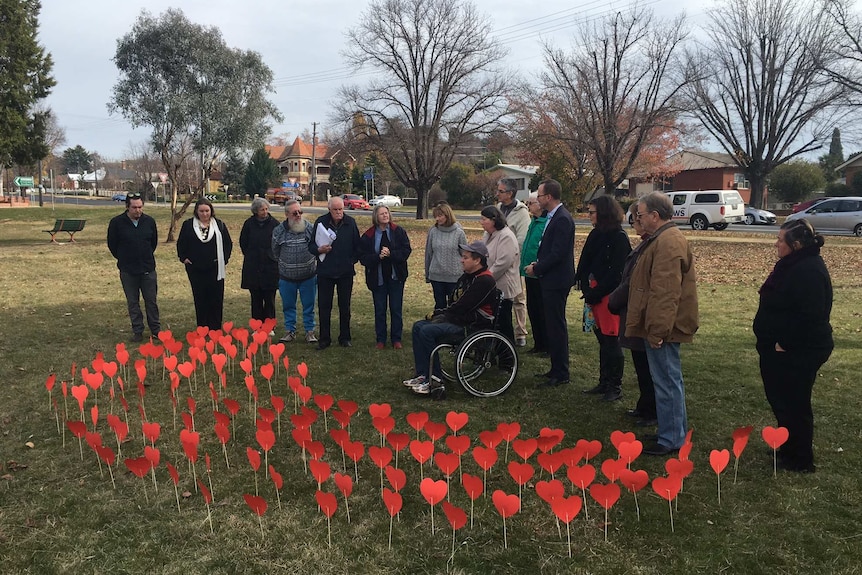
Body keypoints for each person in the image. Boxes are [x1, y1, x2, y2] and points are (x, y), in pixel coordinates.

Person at [754, 219, 832, 473]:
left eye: (780, 240)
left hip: (799, 349)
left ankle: (801, 458)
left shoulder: (808, 270)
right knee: (781, 400)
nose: (776, 244)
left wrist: (783, 344)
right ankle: (788, 445)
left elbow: (810, 315)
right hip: (780, 346)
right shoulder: (793, 264)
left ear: (796, 245)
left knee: (795, 402)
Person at [625, 191, 698, 456]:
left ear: (655, 216)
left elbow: (665, 293)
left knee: (667, 382)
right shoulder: (662, 239)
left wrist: (657, 331)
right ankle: (673, 432)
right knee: (667, 381)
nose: (638, 219)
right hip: (660, 326)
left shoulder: (668, 242)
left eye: (641, 215)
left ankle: (670, 439)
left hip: (663, 328)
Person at [404, 241, 498, 396]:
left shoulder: (484, 280)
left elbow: (463, 306)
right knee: (418, 326)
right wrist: (441, 313)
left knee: (427, 331)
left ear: (477, 260)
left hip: (472, 327)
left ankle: (435, 380)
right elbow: (454, 302)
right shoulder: (467, 277)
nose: (462, 260)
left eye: (466, 257)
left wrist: (441, 315)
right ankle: (423, 374)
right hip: (460, 320)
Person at [576, 195, 632, 401]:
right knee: (602, 339)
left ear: (604, 213)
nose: (589, 215)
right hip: (594, 294)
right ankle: (604, 381)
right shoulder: (596, 234)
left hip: (609, 296)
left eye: (592, 212)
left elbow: (618, 272)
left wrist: (597, 292)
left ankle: (614, 386)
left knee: (611, 341)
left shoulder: (619, 237)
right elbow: (585, 261)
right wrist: (584, 283)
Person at [608, 203, 657, 426]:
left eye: (636, 221)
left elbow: (633, 281)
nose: (634, 225)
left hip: (642, 314)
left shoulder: (651, 247)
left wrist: (615, 299)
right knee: (640, 364)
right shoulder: (644, 245)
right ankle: (644, 405)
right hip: (634, 312)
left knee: (647, 368)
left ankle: (651, 410)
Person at [525, 179, 576, 389]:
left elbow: (558, 253)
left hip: (557, 281)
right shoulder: (552, 217)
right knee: (551, 325)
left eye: (540, 195)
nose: (537, 199)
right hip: (550, 278)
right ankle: (555, 369)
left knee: (556, 326)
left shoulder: (562, 219)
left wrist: (537, 268)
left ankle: (561, 372)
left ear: (549, 197)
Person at [107, 192, 160, 342]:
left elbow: (153, 242)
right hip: (128, 271)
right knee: (133, 302)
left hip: (147, 269)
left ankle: (156, 330)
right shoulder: (117, 223)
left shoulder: (149, 221)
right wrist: (124, 258)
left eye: (140, 207)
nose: (138, 210)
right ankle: (137, 331)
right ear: (127, 207)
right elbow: (112, 245)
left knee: (151, 301)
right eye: (134, 207)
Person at [309, 196, 360, 350]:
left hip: (345, 272)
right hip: (325, 272)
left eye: (341, 209)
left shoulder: (350, 222)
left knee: (345, 306)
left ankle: (345, 337)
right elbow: (311, 245)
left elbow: (358, 246)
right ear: (329, 210)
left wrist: (351, 261)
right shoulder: (320, 222)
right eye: (335, 210)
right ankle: (324, 339)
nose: (339, 213)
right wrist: (319, 250)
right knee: (324, 306)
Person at [359, 205, 412, 349]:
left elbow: (406, 251)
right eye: (382, 214)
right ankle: (381, 339)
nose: (385, 216)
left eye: (386, 213)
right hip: (378, 279)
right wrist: (378, 257)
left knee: (396, 309)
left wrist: (391, 254)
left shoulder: (398, 231)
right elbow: (363, 257)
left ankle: (396, 339)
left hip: (396, 277)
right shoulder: (369, 235)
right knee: (380, 310)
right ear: (376, 216)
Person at [176, 198, 232, 331]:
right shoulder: (188, 225)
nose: (204, 214)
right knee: (200, 298)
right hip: (196, 269)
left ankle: (215, 327)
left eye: (207, 211)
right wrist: (184, 258)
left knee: (216, 299)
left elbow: (228, 243)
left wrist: (224, 259)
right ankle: (202, 326)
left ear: (211, 211)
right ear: (196, 211)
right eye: (201, 211)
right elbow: (181, 244)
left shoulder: (219, 225)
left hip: (215, 269)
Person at [272, 200, 318, 344]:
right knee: (288, 306)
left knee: (309, 305)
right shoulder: (278, 231)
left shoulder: (310, 228)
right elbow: (275, 251)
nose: (298, 215)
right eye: (294, 213)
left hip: (308, 276)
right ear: (286, 214)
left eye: (300, 212)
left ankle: (310, 331)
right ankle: (289, 331)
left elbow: (317, 247)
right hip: (286, 277)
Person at [496, 178, 531, 346]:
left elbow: (522, 239)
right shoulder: (498, 209)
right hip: (498, 260)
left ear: (510, 193)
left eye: (501, 191)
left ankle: (520, 332)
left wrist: (509, 254)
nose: (498, 194)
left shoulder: (522, 212)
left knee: (518, 297)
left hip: (515, 262)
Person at [479, 205, 520, 344]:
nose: (481, 222)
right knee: (493, 322)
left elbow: (503, 262)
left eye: (484, 219)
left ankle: (508, 357)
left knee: (503, 322)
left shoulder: (506, 236)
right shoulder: (487, 235)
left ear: (493, 220)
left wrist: (485, 278)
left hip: (503, 286)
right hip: (491, 285)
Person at [239, 197, 279, 326]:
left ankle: (269, 325)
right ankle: (257, 325)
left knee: (269, 299)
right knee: (256, 299)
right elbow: (243, 242)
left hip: (270, 266)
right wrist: (251, 255)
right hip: (253, 266)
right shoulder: (248, 224)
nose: (265, 212)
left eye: (267, 209)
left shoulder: (274, 224)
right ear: (256, 211)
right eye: (262, 209)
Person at [425, 202, 467, 310]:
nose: (437, 219)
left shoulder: (459, 233)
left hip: (454, 277)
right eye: (435, 216)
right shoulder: (433, 231)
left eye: (440, 216)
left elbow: (465, 255)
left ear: (447, 215)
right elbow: (429, 254)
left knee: (454, 307)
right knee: (440, 306)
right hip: (436, 276)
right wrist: (427, 274)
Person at [520, 192, 548, 354]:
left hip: (540, 272)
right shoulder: (533, 221)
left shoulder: (545, 223)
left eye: (531, 203)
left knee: (542, 310)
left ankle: (546, 344)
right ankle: (538, 343)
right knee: (533, 308)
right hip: (529, 272)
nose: (528, 206)